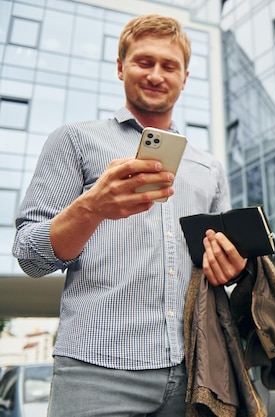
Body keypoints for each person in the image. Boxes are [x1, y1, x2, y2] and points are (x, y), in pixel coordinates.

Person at [12, 14, 247, 416]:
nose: (156, 75)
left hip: (193, 372)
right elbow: (30, 257)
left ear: (185, 78)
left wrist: (232, 268)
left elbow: (215, 268)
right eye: (144, 61)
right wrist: (92, 207)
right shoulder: (75, 140)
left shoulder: (208, 167)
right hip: (94, 372)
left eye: (169, 66)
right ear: (121, 67)